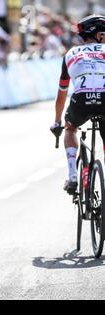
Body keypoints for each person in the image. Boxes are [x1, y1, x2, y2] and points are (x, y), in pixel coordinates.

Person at [50, 15, 105, 195]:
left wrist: (57, 121)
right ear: (98, 35)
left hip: (81, 100)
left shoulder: (71, 54)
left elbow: (62, 94)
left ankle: (73, 175)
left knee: (70, 128)